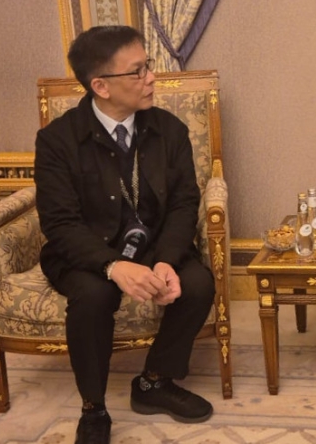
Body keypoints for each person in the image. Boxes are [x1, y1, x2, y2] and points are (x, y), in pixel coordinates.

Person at [35, 25, 215, 444]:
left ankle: (154, 381)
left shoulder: (170, 130)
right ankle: (94, 408)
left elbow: (183, 204)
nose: (151, 77)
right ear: (100, 86)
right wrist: (113, 267)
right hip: (87, 252)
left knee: (197, 283)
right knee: (94, 296)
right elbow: (60, 224)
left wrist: (166, 259)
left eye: (147, 65)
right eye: (138, 71)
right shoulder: (58, 141)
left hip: (152, 243)